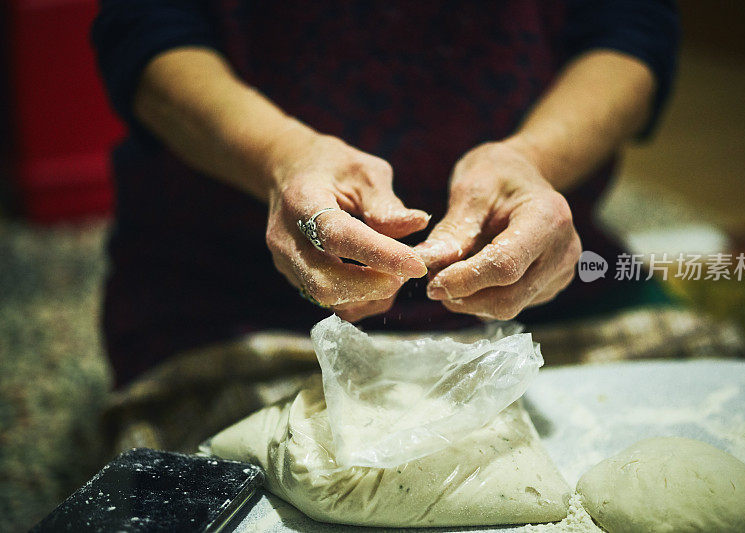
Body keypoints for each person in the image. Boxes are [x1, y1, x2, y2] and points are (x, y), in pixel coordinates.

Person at [92, 1, 679, 388]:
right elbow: (147, 34)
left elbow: (630, 30)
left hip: (543, 287)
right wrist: (283, 159)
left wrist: (534, 160)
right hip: (230, 289)